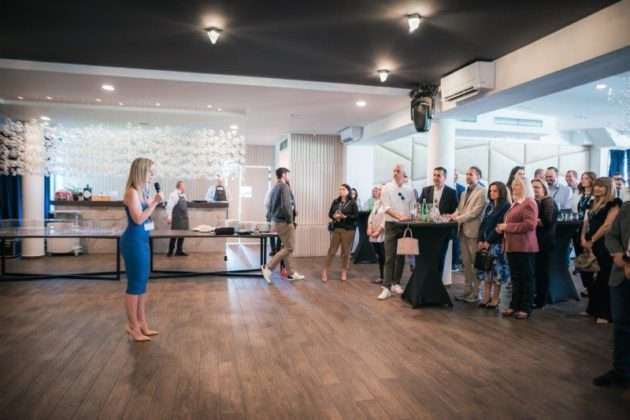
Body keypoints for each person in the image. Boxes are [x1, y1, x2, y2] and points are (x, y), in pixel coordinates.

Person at [120, 157, 161, 342]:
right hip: (133, 242)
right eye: (150, 172)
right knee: (135, 285)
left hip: (142, 241)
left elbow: (145, 214)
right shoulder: (131, 192)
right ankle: (133, 327)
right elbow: (138, 219)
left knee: (142, 284)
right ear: (141, 171)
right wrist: (154, 203)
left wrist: (153, 201)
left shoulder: (140, 192)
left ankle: (142, 323)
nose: (152, 175)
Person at [596, 201, 630, 387]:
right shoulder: (627, 208)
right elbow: (611, 236)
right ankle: (621, 370)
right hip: (621, 276)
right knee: (621, 325)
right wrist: (618, 256)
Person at [497, 176, 538, 320]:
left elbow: (530, 225)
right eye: (513, 185)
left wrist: (507, 227)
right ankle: (514, 305)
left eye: (518, 185)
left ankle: (525, 308)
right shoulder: (515, 203)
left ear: (525, 187)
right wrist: (502, 228)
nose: (514, 188)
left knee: (526, 278)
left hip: (524, 246)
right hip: (512, 246)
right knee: (515, 278)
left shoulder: (529, 203)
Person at [581, 177, 621, 324]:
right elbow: (586, 222)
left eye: (601, 186)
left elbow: (607, 226)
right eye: (596, 186)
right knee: (590, 276)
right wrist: (583, 239)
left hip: (604, 244)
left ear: (608, 188)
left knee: (604, 278)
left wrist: (592, 240)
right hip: (590, 243)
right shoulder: (591, 202)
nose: (597, 188)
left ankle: (605, 313)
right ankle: (592, 309)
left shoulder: (614, 203)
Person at [450, 166, 487, 303]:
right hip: (463, 231)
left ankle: (477, 293)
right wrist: (451, 216)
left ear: (478, 176)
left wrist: (457, 219)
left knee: (475, 264)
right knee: (466, 264)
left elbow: (475, 213)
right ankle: (467, 291)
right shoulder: (464, 192)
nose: (467, 176)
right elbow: (460, 209)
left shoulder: (482, 191)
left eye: (471, 174)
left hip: (474, 232)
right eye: (466, 174)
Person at [261, 168, 305, 284]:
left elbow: (270, 205)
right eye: (287, 174)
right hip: (285, 222)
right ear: (284, 175)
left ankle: (291, 273)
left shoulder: (275, 187)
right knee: (290, 248)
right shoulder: (284, 187)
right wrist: (290, 220)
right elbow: (286, 205)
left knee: (287, 247)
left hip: (277, 221)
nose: (288, 177)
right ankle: (268, 267)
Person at [377, 164, 414, 300]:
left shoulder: (409, 190)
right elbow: (386, 207)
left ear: (404, 174)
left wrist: (411, 215)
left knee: (401, 257)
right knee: (389, 257)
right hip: (391, 225)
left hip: (405, 226)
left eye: (398, 171)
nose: (395, 172)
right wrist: (399, 217)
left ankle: (396, 283)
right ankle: (386, 287)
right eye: (394, 170)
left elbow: (413, 207)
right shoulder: (386, 187)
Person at [477, 181, 511, 309]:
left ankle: (496, 298)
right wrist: (480, 240)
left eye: (495, 191)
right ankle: (486, 297)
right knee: (486, 271)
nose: (492, 193)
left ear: (501, 192)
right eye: (491, 190)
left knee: (497, 273)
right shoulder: (489, 206)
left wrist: (488, 241)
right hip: (485, 244)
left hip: (496, 244)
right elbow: (483, 224)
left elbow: (499, 228)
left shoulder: (506, 206)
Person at [322, 184, 359, 282]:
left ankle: (344, 271)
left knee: (345, 252)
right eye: (340, 189)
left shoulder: (352, 203)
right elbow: (330, 214)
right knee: (332, 251)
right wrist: (334, 216)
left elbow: (356, 216)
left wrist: (345, 217)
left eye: (343, 189)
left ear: (348, 191)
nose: (341, 191)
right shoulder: (336, 201)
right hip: (337, 228)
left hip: (348, 230)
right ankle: (325, 271)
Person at [531, 178, 558, 309]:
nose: (534, 190)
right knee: (536, 271)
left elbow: (546, 221)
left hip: (544, 241)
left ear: (544, 189)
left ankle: (541, 300)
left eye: (537, 187)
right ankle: (536, 296)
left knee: (542, 271)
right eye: (532, 187)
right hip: (536, 241)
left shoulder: (548, 201)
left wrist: (530, 220)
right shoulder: (535, 201)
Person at [573, 171, 596, 297]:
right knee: (580, 258)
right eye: (582, 178)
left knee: (588, 259)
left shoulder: (594, 197)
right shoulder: (581, 195)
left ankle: (590, 286)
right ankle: (587, 286)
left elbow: (589, 217)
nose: (583, 180)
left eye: (586, 178)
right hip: (578, 228)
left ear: (592, 180)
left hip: (587, 230)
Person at [367, 185, 386, 283]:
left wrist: (378, 231)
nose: (375, 192)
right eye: (374, 190)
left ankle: (388, 278)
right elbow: (371, 216)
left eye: (377, 190)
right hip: (374, 232)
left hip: (383, 234)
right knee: (380, 256)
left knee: (384, 256)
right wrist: (369, 227)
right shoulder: (376, 202)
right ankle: (382, 277)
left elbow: (385, 219)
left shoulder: (386, 203)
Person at [166, 180, 189, 257]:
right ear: (180, 186)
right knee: (174, 235)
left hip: (184, 218)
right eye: (183, 186)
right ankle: (170, 251)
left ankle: (179, 251)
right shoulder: (173, 194)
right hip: (177, 219)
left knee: (182, 235)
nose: (184, 187)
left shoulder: (184, 195)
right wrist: (169, 217)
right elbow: (169, 206)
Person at [452, 169, 465, 272]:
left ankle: (455, 263)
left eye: (457, 174)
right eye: (454, 174)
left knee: (456, 241)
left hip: (458, 218)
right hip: (445, 218)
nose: (455, 176)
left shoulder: (461, 188)